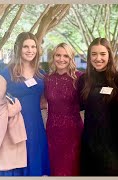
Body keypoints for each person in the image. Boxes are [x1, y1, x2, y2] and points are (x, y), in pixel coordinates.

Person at [0, 32, 50, 176]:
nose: (30, 50)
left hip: (36, 128)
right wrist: (9, 110)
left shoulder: (41, 74)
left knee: (36, 167)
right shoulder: (6, 74)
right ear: (18, 48)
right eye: (26, 46)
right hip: (15, 128)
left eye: (33, 47)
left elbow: (43, 102)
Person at [77, 38, 118, 175]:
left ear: (109, 55)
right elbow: (78, 105)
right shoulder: (83, 80)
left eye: (103, 54)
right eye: (94, 54)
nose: (98, 58)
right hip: (90, 142)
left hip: (113, 143)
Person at [44, 43, 83, 176]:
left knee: (71, 169)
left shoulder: (79, 78)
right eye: (58, 55)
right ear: (53, 57)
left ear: (71, 58)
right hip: (52, 131)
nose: (61, 59)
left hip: (73, 132)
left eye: (66, 56)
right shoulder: (47, 79)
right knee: (55, 168)